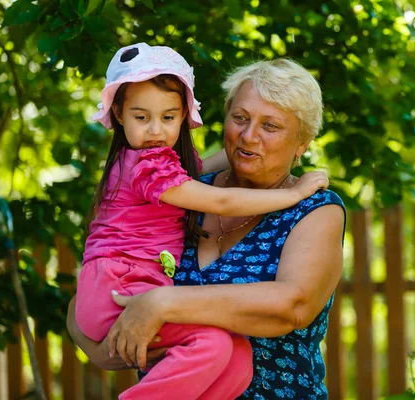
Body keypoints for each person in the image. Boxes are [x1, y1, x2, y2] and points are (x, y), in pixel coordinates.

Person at [68, 57, 346, 399]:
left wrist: (164, 303)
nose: (248, 135)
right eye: (240, 118)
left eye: (270, 126)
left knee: (236, 355)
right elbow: (89, 296)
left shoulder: (314, 208)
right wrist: (100, 348)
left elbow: (291, 305)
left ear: (302, 143)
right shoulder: (184, 192)